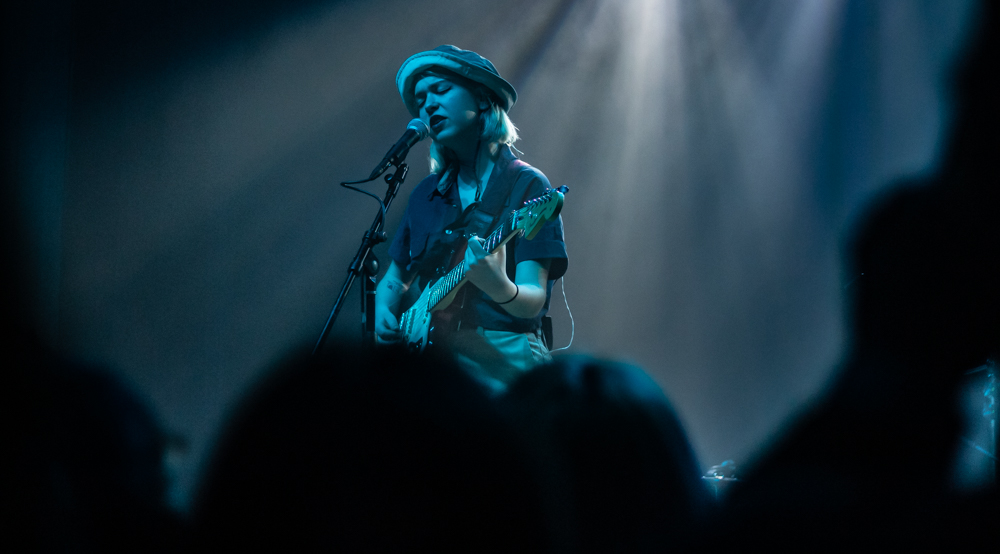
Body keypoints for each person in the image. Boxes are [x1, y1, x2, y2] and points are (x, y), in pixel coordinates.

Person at [374, 45, 567, 391]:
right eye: (421, 99)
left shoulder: (527, 185)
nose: (428, 105)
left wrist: (499, 286)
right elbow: (395, 278)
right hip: (437, 366)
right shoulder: (425, 195)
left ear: (480, 98)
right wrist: (382, 310)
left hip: (506, 362)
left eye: (441, 89)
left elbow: (533, 301)